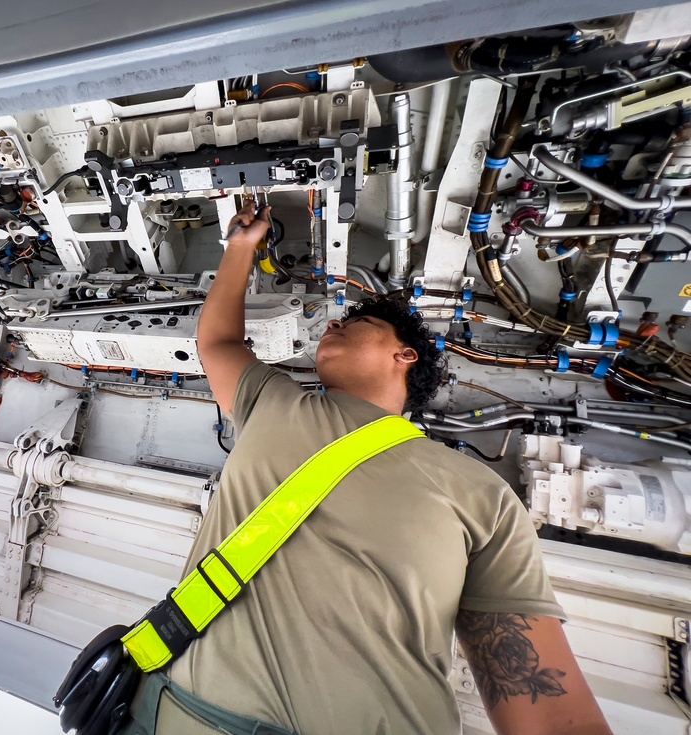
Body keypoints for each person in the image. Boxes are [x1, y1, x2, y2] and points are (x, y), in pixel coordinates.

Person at [127, 201, 612, 735]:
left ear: (406, 355)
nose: (334, 321)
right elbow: (218, 342)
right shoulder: (275, 400)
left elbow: (540, 699)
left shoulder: (485, 497)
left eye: (359, 321)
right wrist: (240, 246)